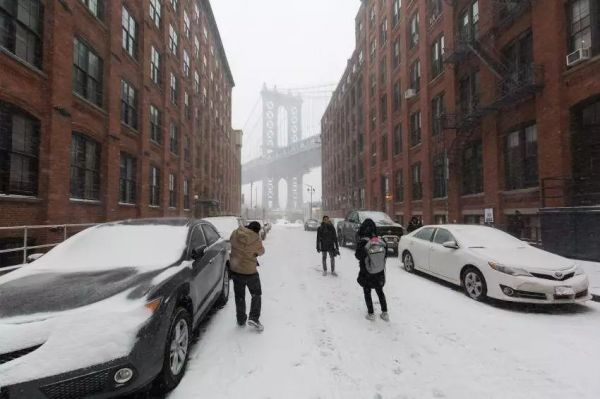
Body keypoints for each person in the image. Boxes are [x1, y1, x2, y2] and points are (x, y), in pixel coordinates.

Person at [229, 221, 265, 332]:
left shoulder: (235, 233)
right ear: (257, 230)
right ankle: (254, 318)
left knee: (239, 296)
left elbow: (230, 240)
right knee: (256, 294)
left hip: (236, 270)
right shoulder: (256, 239)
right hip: (250, 272)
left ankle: (240, 320)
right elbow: (262, 251)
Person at [355, 218, 389, 321]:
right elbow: (385, 255)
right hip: (379, 271)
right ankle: (385, 313)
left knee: (367, 291)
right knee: (380, 291)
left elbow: (358, 255)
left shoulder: (363, 242)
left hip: (367, 272)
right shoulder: (380, 241)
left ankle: (371, 313)